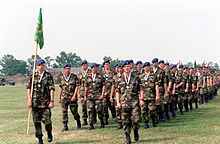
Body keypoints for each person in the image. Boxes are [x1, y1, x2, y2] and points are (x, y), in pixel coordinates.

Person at [27, 59, 55, 144]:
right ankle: (40, 139)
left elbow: (52, 89)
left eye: (43, 65)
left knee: (47, 121)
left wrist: (52, 101)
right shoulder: (33, 76)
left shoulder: (48, 76)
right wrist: (29, 100)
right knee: (37, 123)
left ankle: (49, 133)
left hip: (45, 103)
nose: (41, 66)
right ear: (36, 66)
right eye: (39, 65)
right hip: (35, 104)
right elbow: (28, 88)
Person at [116, 60, 141, 144]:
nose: (127, 68)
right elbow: (117, 91)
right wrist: (118, 103)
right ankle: (128, 137)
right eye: (125, 67)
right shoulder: (119, 79)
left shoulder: (136, 77)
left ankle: (136, 131)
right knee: (125, 121)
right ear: (122, 68)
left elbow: (141, 89)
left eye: (128, 66)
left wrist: (141, 99)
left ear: (131, 67)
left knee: (136, 119)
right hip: (124, 103)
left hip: (134, 102)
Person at [58, 63, 81, 132]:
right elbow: (60, 88)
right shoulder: (62, 77)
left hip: (72, 97)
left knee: (74, 111)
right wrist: (59, 97)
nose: (67, 70)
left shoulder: (74, 77)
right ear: (64, 69)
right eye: (66, 68)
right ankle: (65, 126)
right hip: (64, 97)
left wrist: (74, 95)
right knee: (64, 112)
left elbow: (77, 86)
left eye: (69, 68)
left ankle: (78, 120)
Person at [84, 63, 106, 130]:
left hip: (98, 96)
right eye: (93, 68)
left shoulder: (101, 76)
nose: (94, 69)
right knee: (90, 110)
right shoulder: (88, 76)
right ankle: (91, 124)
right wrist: (85, 95)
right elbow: (86, 86)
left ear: (97, 68)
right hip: (90, 96)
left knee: (99, 110)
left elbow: (104, 85)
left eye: (95, 68)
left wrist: (102, 94)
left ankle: (102, 121)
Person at [139, 62, 160, 128]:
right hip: (143, 96)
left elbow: (156, 85)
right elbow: (139, 88)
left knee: (152, 110)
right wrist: (140, 97)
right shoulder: (141, 76)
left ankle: (154, 120)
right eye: (145, 67)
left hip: (151, 96)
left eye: (147, 66)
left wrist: (157, 95)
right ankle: (146, 123)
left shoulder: (153, 75)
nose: (146, 68)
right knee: (144, 111)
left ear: (149, 67)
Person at [101, 60, 117, 124]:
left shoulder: (113, 73)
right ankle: (105, 119)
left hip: (112, 92)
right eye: (105, 64)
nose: (106, 66)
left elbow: (115, 82)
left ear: (109, 65)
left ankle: (115, 116)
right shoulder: (101, 74)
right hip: (104, 93)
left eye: (107, 64)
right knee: (104, 106)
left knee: (112, 105)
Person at [110, 63, 123, 129]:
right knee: (117, 109)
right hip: (117, 95)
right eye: (119, 68)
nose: (120, 69)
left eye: (121, 68)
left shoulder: (125, 76)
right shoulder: (115, 77)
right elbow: (113, 86)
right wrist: (111, 96)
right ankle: (119, 123)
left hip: (124, 95)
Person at [78, 60, 90, 125]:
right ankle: (85, 120)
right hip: (82, 92)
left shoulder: (90, 72)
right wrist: (79, 93)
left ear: (87, 65)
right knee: (83, 107)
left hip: (90, 92)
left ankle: (92, 119)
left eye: (85, 65)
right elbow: (78, 84)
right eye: (82, 65)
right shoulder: (80, 74)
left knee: (90, 107)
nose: (83, 66)